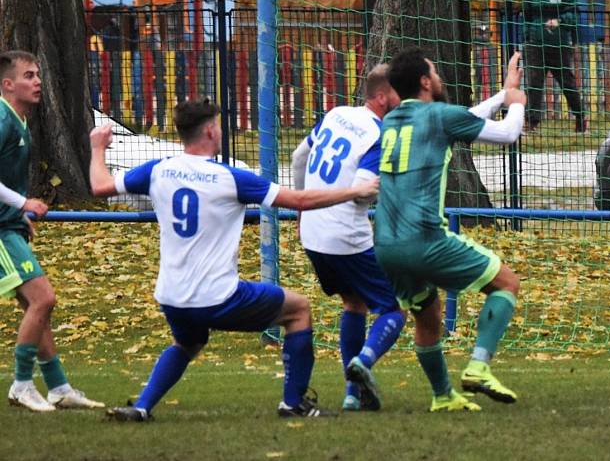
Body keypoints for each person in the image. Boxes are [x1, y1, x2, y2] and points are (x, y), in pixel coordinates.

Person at [89, 99, 379, 421]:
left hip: (172, 296)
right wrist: (354, 191)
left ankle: (141, 408)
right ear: (211, 131)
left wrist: (98, 147)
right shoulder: (231, 178)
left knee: (188, 343)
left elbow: (100, 186)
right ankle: (293, 403)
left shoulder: (156, 170)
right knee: (298, 310)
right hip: (217, 296)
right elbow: (298, 199)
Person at [373, 48, 525, 413]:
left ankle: (442, 395)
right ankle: (478, 367)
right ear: (426, 81)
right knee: (506, 284)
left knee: (427, 316)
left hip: (385, 243)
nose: (439, 77)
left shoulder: (393, 120)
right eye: (435, 72)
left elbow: (464, 119)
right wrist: (516, 103)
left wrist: (503, 93)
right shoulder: (439, 115)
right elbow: (507, 134)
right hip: (424, 238)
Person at [291, 64, 406, 412]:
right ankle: (364, 362)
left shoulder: (336, 113)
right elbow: (360, 194)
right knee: (392, 309)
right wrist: (379, 190)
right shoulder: (378, 132)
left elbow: (299, 157)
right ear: (384, 96)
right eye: (401, 92)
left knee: (353, 303)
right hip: (346, 235)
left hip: (313, 232)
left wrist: (302, 206)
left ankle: (352, 396)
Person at [0, 50, 104, 412]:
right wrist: (23, 203)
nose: (37, 81)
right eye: (29, 75)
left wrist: (17, 214)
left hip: (8, 226)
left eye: (38, 74)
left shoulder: (19, 120)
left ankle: (58, 387)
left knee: (37, 305)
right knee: (43, 299)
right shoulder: (1, 119)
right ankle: (21, 385)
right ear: (7, 84)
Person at [522, 0, 586, 132]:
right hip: (535, 45)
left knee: (567, 82)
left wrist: (559, 21)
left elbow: (574, 14)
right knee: (534, 83)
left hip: (559, 45)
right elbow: (526, 17)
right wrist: (527, 38)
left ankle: (580, 117)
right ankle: (532, 122)